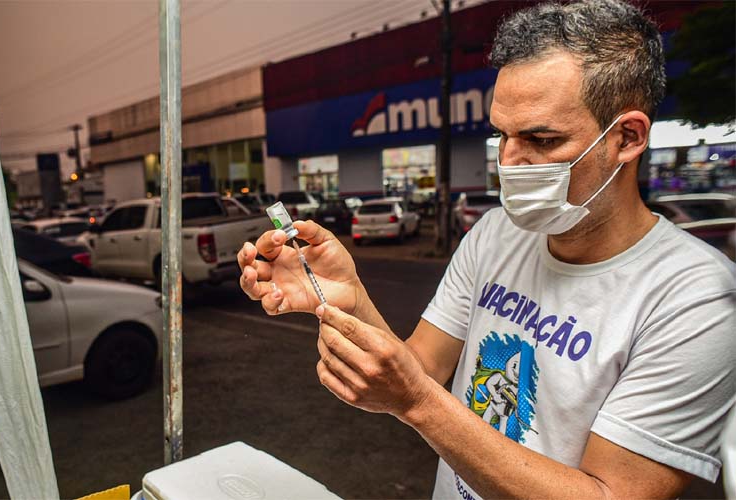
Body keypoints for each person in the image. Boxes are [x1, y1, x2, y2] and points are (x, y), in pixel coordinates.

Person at [238, 1, 736, 498]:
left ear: (627, 137)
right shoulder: (495, 233)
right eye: (502, 134)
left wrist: (418, 404)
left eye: (541, 139)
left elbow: (611, 494)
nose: (511, 163)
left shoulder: (696, 299)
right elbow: (420, 368)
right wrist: (347, 297)